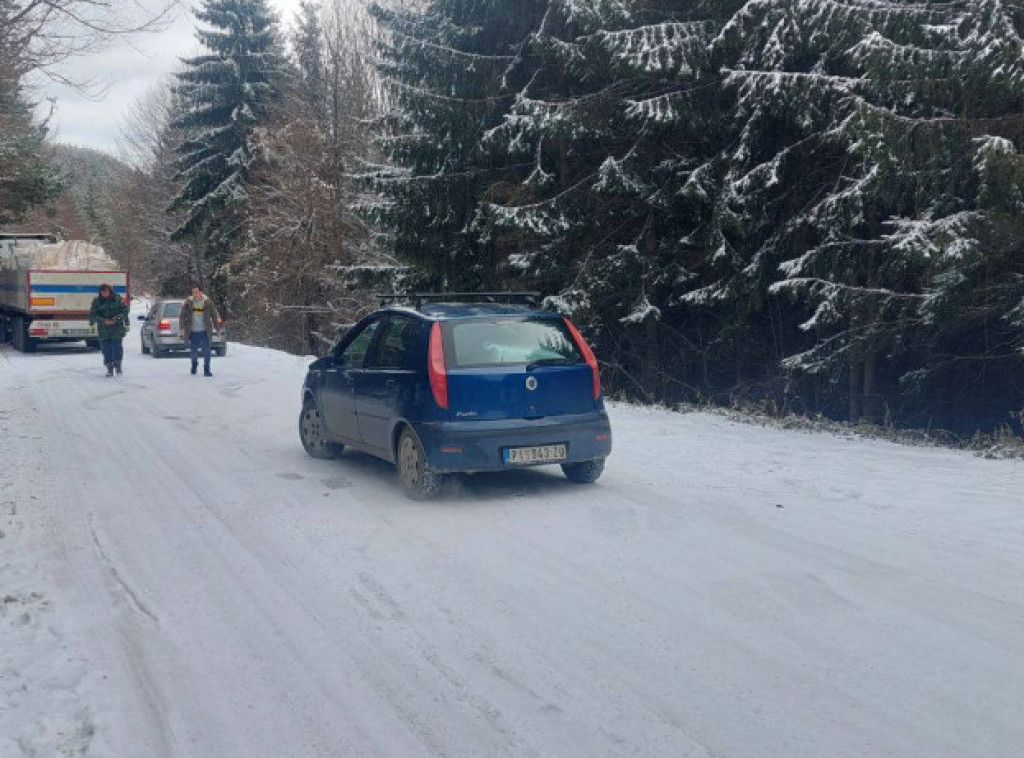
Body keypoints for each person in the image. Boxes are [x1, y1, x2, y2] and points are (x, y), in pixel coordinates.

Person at [179, 283, 222, 377]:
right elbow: (182, 317)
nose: (195, 294)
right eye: (193, 292)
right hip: (193, 332)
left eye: (197, 292)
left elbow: (214, 316)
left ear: (201, 292)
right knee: (193, 352)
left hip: (205, 331)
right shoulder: (188, 302)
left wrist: (218, 329)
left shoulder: (208, 302)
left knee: (207, 352)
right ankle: (194, 364)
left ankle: (207, 369)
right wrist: (182, 329)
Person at [89, 283, 129, 376]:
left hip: (117, 329)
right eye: (102, 292)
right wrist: (103, 321)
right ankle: (109, 368)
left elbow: (125, 311)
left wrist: (117, 318)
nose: (104, 293)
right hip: (104, 330)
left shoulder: (118, 299)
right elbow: (93, 314)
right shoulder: (97, 301)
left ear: (110, 291)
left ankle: (118, 366)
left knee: (117, 348)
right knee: (106, 350)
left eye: (106, 291)